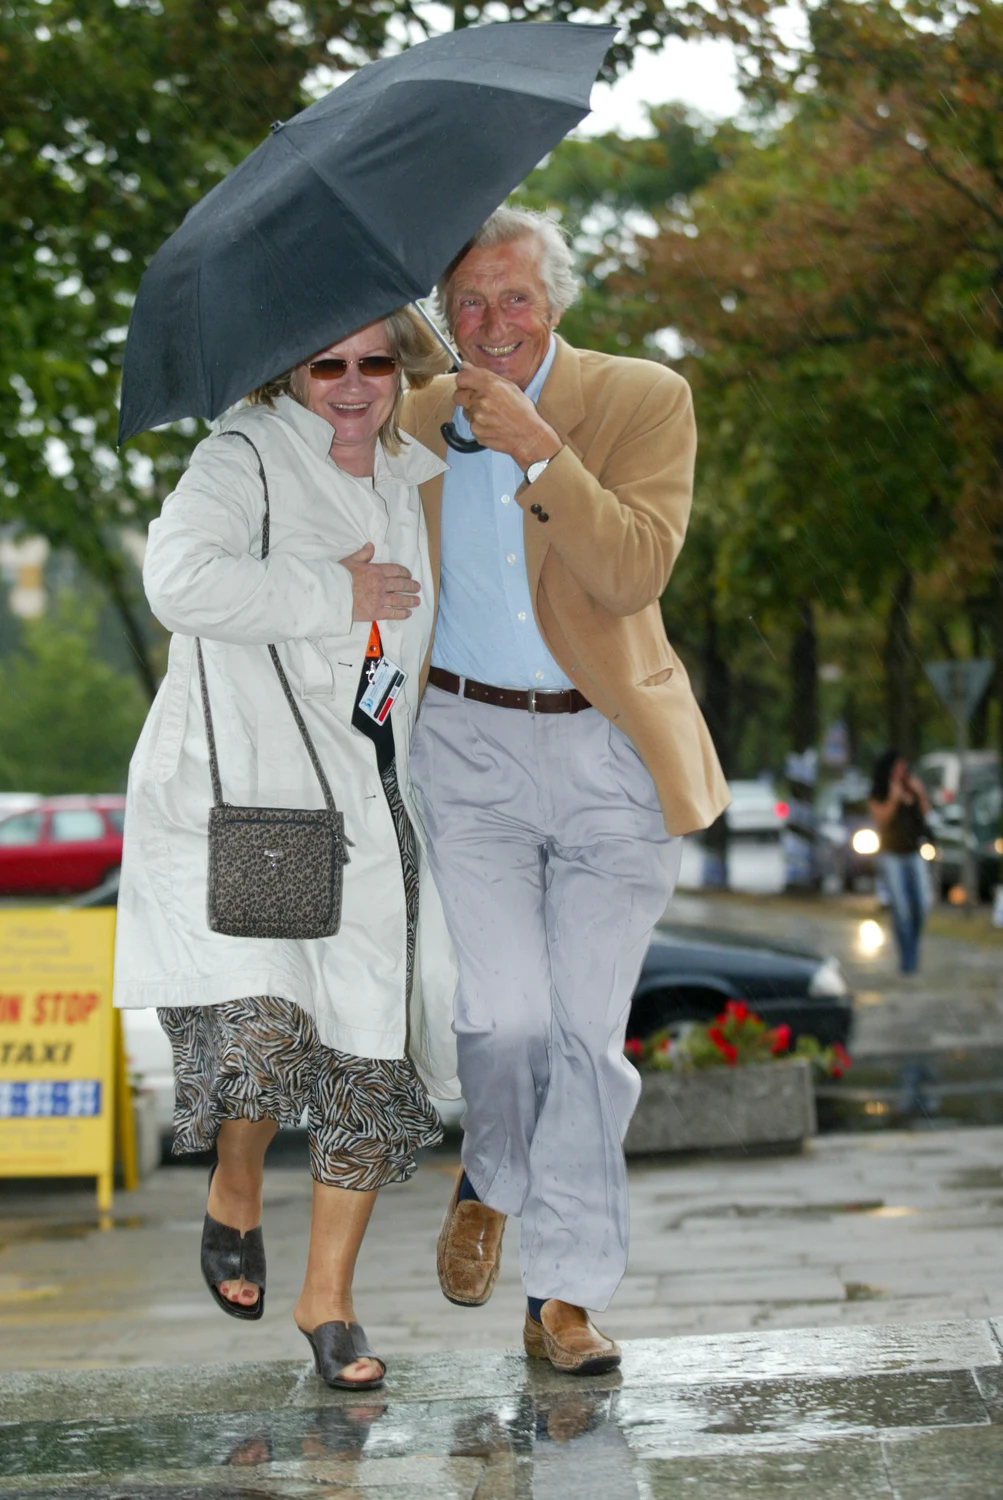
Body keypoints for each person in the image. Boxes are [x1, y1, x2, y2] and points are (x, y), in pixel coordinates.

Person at [402, 207, 729, 1374]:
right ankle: (491, 1171)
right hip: (469, 752)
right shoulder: (412, 418)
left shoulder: (641, 399)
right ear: (444, 315)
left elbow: (635, 565)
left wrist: (542, 448)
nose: (493, 324)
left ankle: (566, 1299)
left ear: (557, 302)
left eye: (516, 298)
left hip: (608, 757)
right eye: (470, 304)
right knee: (504, 1019)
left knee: (588, 1039)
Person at [113, 309, 459, 1390]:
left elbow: (405, 648)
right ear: (288, 370)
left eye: (375, 363)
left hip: (372, 799)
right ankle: (235, 1184)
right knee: (265, 1034)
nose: (354, 386)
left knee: (364, 1051)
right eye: (328, 365)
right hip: (256, 797)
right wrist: (335, 593)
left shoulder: (410, 473)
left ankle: (330, 1301)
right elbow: (178, 582)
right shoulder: (240, 456)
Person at [868, 749, 932, 973]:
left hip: (914, 852)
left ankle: (913, 951)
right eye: (896, 767)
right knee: (901, 908)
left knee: (923, 904)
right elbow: (881, 820)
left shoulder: (911, 786)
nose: (900, 771)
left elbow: (925, 813)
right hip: (892, 854)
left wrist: (920, 793)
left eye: (903, 766)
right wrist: (894, 799)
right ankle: (908, 960)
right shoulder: (880, 791)